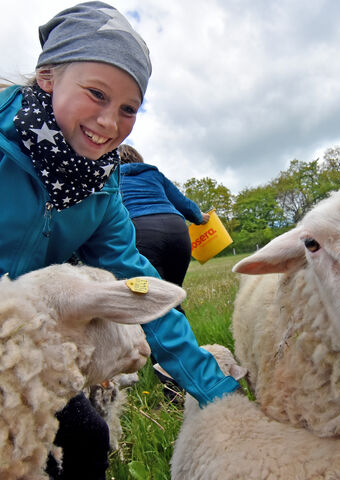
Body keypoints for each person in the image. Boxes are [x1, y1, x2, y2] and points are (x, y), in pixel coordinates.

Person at [0, 3, 240, 479]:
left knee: (87, 439)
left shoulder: (101, 192)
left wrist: (216, 391)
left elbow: (141, 287)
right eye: (96, 94)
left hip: (19, 353)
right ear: (48, 76)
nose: (110, 122)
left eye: (129, 108)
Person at [119, 144, 209, 301]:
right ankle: (180, 324)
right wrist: (199, 217)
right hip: (177, 229)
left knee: (151, 300)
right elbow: (182, 203)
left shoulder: (112, 178)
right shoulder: (153, 174)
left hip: (141, 230)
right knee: (173, 297)